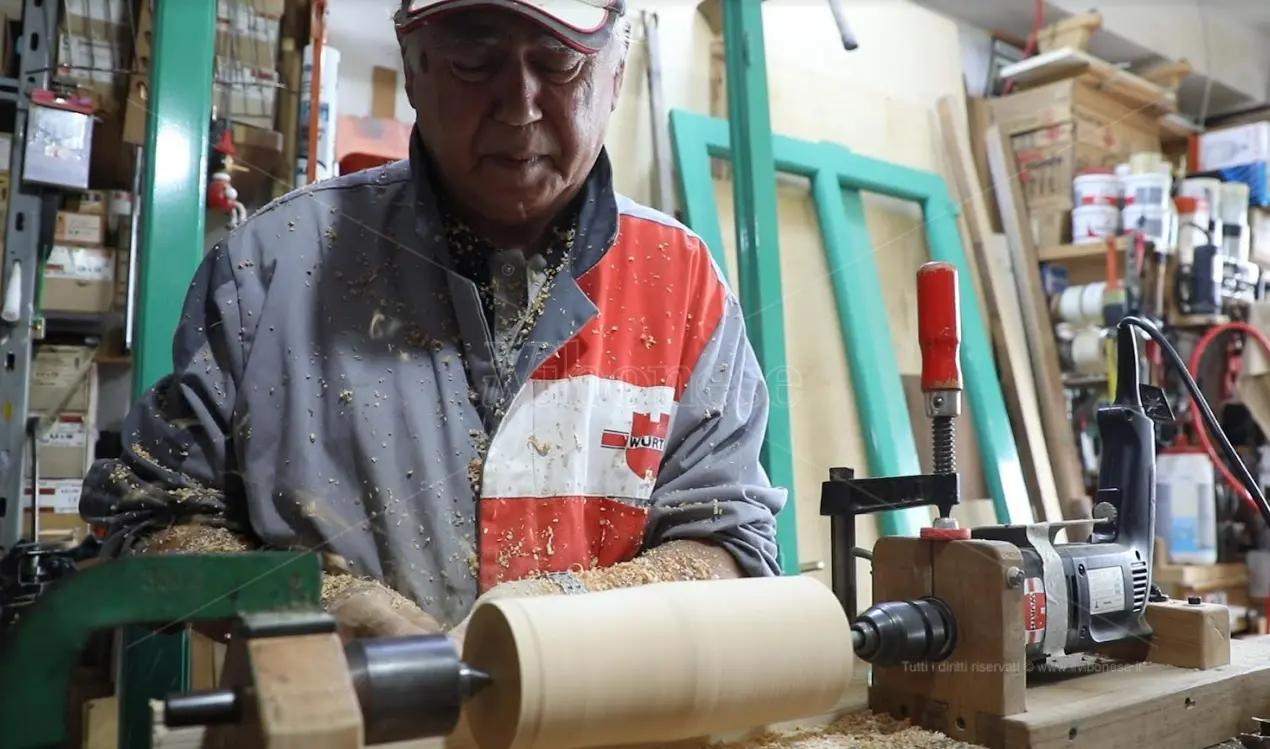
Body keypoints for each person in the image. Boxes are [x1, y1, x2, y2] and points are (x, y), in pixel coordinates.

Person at [80, 0, 785, 647]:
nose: (519, 108)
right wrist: (317, 604)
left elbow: (732, 544)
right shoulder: (270, 270)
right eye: (474, 61)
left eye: (557, 62)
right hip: (346, 718)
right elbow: (152, 521)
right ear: (413, 72)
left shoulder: (681, 284)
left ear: (616, 75)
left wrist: (571, 613)